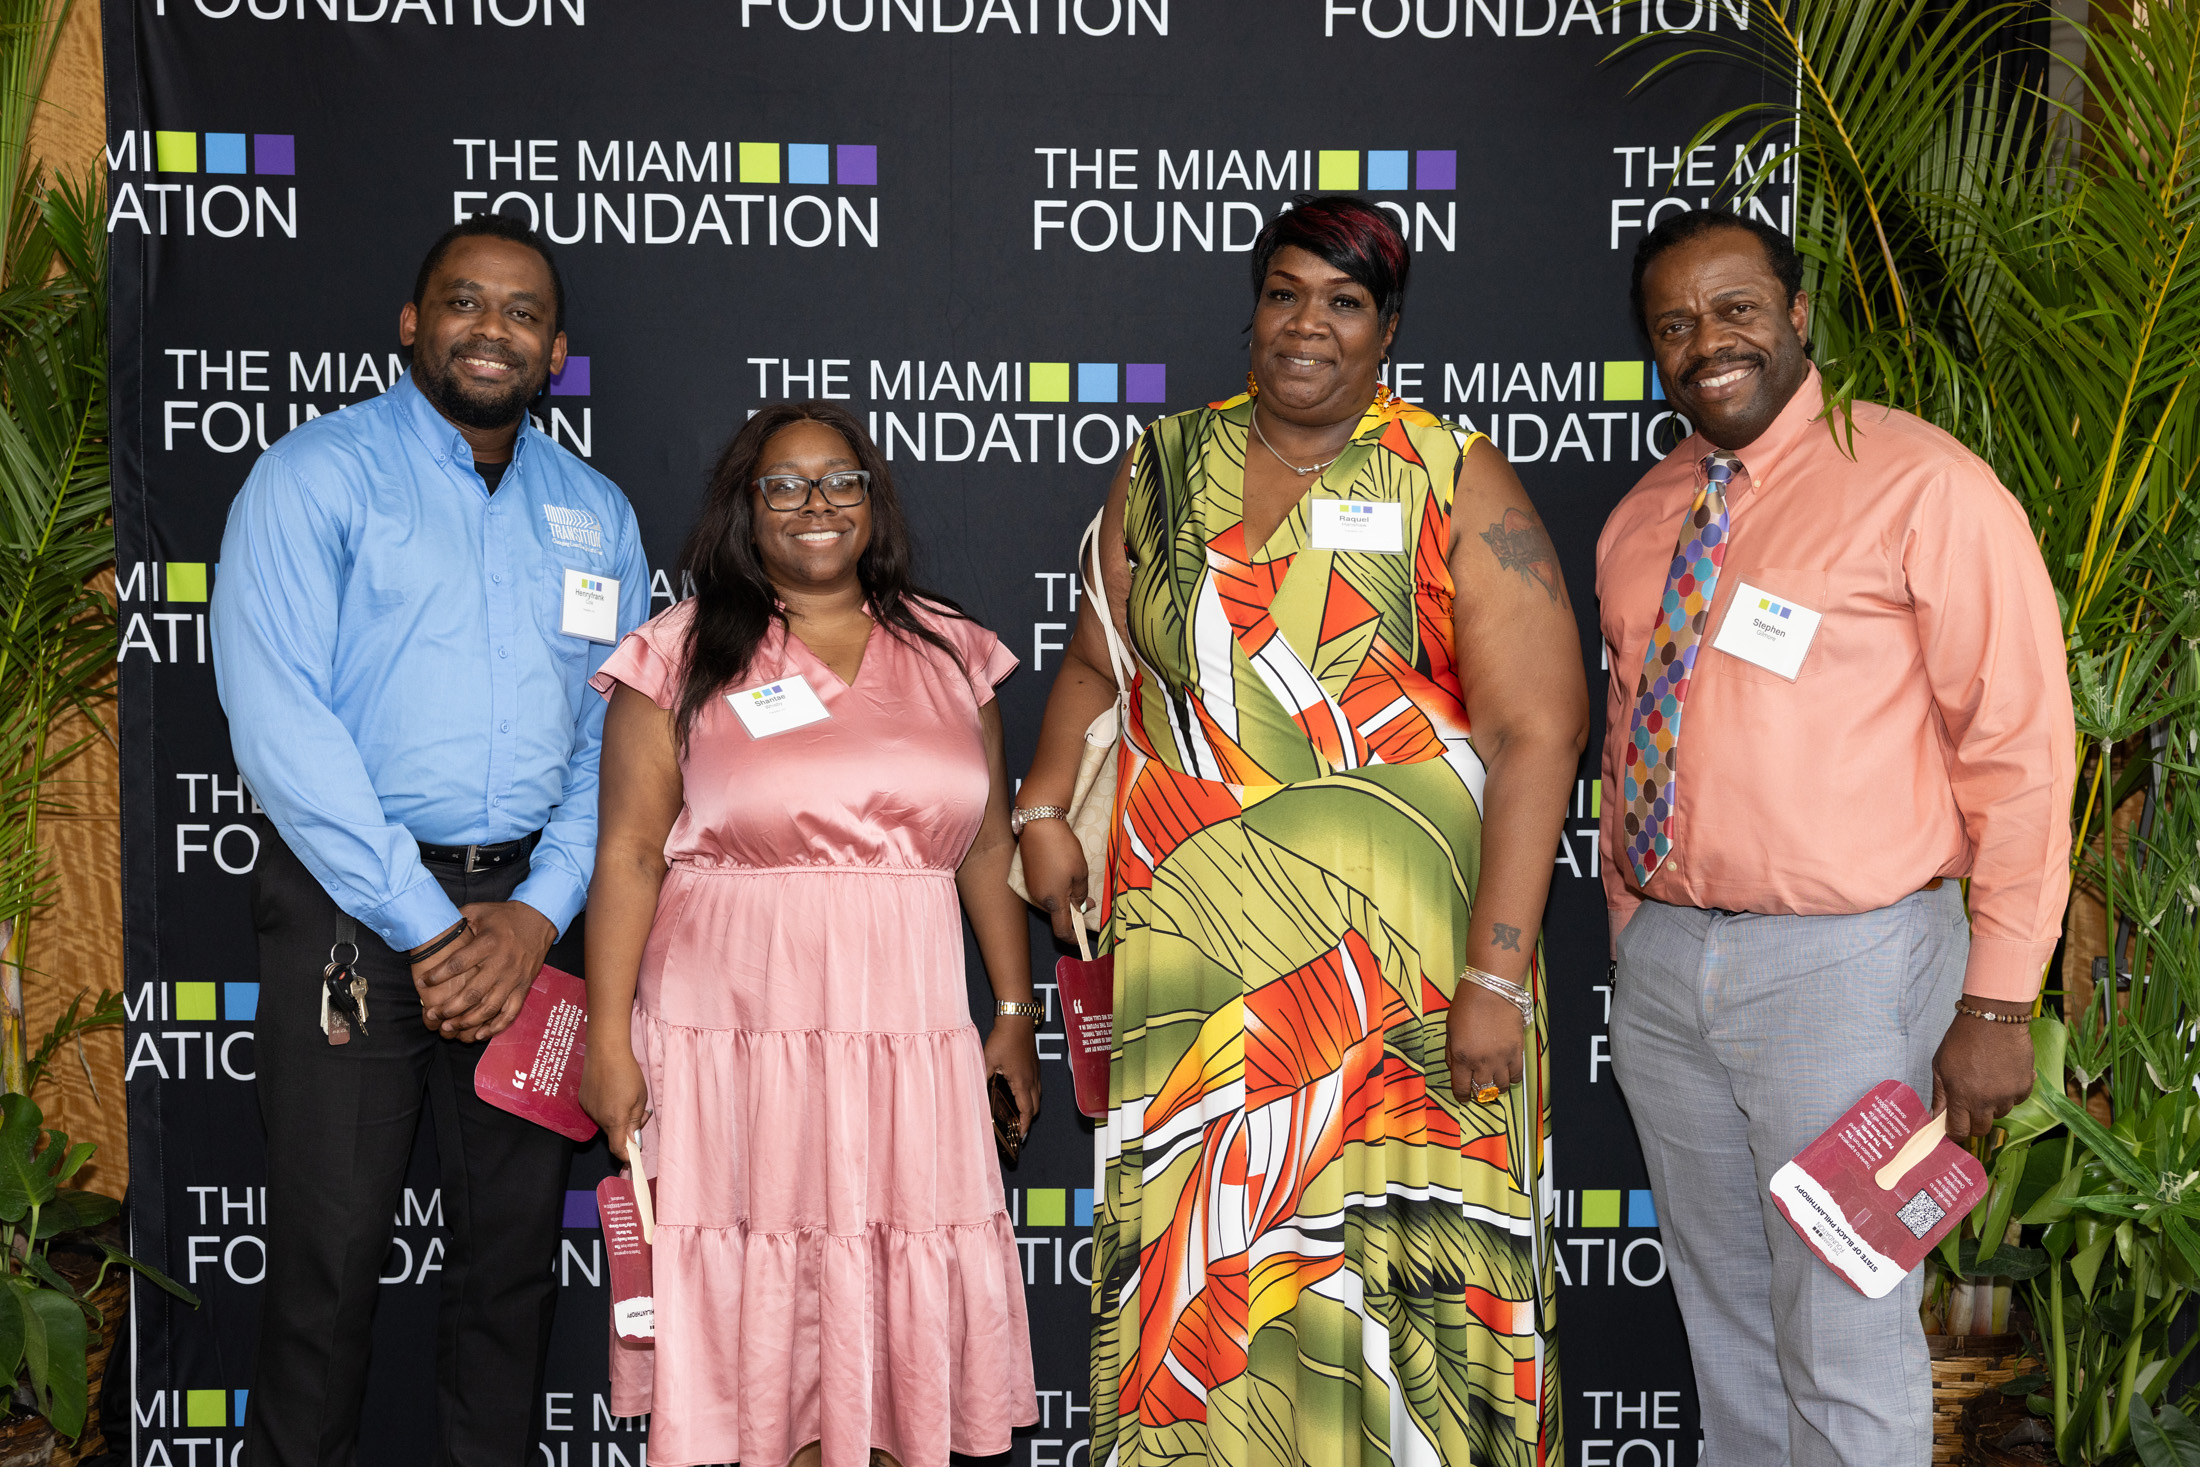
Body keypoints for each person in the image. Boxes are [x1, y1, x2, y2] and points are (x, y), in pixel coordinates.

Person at [1018, 197, 1585, 1467]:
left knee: (1398, 1267)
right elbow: (1096, 666)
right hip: (1195, 953)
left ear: (1388, 329)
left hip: (1403, 962)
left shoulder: (1447, 471)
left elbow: (1539, 731)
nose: (1306, 326)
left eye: (1343, 303)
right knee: (1208, 1256)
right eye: (1284, 294)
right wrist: (1045, 805)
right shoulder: (1163, 463)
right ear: (1253, 312)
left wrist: (1496, 975)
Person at [1597, 211, 2075, 1467]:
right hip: (1669, 968)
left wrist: (1997, 1001)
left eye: (1736, 309)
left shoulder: (1921, 484)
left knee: (1846, 1332)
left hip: (1849, 971)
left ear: (1798, 315)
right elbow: (1629, 732)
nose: (1708, 341)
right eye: (1675, 324)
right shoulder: (1643, 518)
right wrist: (1633, 931)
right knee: (1731, 1334)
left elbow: (2019, 750)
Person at [209, 213, 648, 1465]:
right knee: (328, 1266)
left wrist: (538, 911)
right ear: (412, 324)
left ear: (554, 352)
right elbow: (279, 721)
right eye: (464, 302)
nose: (490, 329)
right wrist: (429, 924)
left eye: (521, 312)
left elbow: (615, 745)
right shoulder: (316, 476)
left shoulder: (595, 513)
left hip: (527, 924)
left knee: (510, 1271)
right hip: (352, 913)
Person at [577, 401, 1041, 1467]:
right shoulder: (681, 651)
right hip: (736, 1032)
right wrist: (607, 1041)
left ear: (873, 502)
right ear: (746, 509)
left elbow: (985, 847)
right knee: (765, 1321)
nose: (814, 504)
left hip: (906, 1033)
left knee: (891, 1313)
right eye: (782, 485)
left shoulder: (950, 650)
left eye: (840, 480)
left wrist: (1014, 1014)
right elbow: (630, 855)